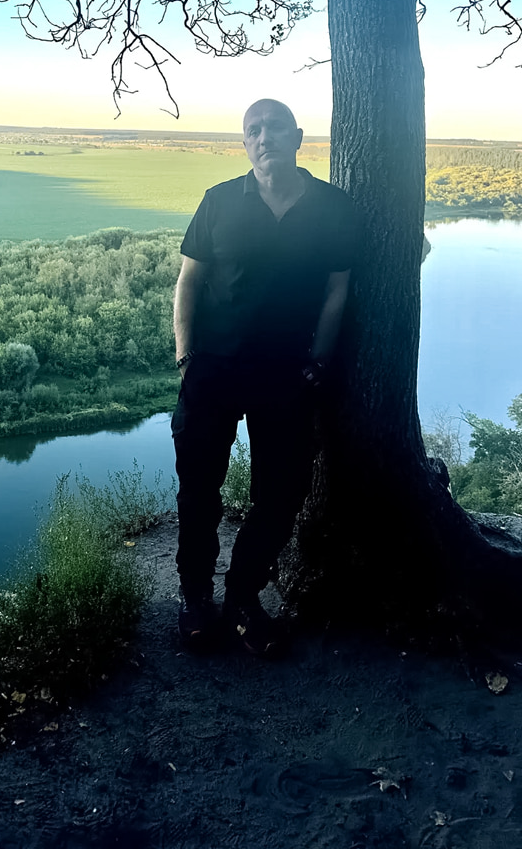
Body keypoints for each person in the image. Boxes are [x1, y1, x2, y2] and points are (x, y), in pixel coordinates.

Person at [172, 98, 359, 657]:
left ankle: (243, 599)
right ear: (244, 143)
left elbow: (337, 291)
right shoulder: (219, 200)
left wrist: (318, 362)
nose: (264, 136)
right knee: (198, 491)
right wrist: (186, 357)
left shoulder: (333, 207)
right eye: (253, 130)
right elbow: (188, 283)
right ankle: (195, 600)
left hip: (286, 376)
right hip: (214, 369)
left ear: (298, 137)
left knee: (280, 494)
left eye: (275, 127)